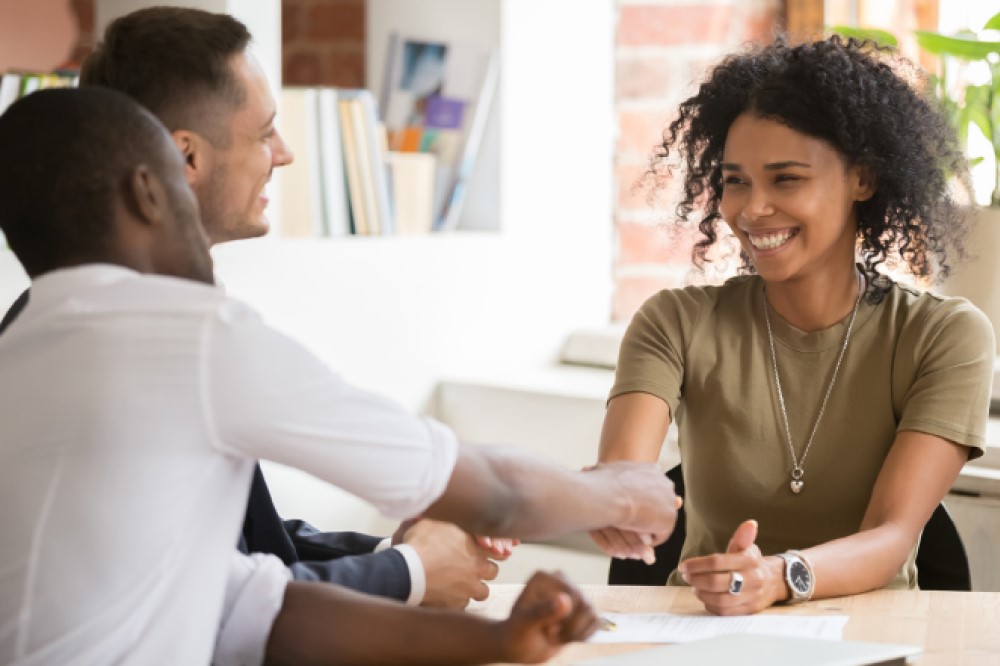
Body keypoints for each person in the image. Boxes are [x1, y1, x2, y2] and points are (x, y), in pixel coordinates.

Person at [0, 87, 676, 665]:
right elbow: (493, 492)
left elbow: (259, 610)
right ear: (149, 191)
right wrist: (622, 494)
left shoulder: (20, 354)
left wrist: (492, 639)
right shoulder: (188, 334)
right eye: (179, 181)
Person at [0, 5, 510, 611]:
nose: (286, 152)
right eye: (265, 130)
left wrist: (390, 553)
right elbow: (216, 607)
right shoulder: (157, 345)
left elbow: (246, 547)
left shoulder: (54, 318)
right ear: (185, 158)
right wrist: (410, 572)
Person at [589, 35, 994, 615]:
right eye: (735, 180)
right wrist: (612, 502)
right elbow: (623, 474)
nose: (751, 210)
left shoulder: (943, 336)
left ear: (863, 179)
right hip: (705, 636)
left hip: (874, 633)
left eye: (786, 179)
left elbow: (892, 536)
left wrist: (780, 576)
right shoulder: (674, 323)